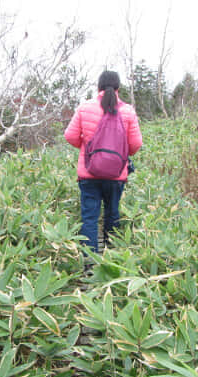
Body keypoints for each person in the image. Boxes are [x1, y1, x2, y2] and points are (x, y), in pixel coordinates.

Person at [64, 70, 143, 254]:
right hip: (116, 174)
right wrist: (121, 154)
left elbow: (70, 135)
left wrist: (87, 149)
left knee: (90, 218)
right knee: (112, 213)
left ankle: (90, 262)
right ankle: (111, 257)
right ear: (118, 88)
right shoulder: (128, 111)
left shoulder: (85, 107)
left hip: (89, 173)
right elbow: (136, 143)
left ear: (98, 86)